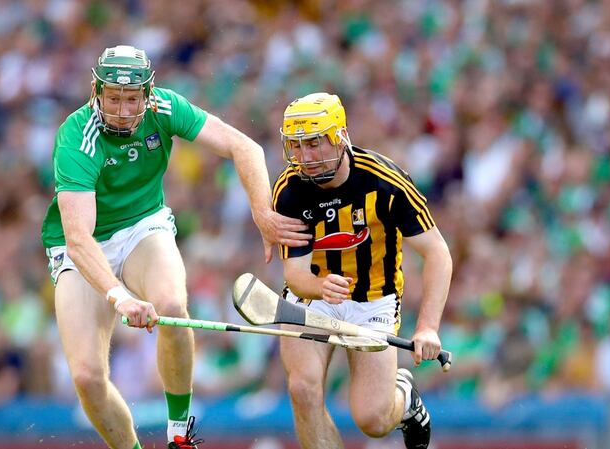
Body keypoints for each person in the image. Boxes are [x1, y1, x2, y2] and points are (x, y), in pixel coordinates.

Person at [40, 45, 310, 449]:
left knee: (171, 307)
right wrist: (121, 298)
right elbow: (79, 239)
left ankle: (180, 435)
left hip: (142, 227)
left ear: (147, 94)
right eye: (113, 98)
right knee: (87, 377)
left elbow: (245, 147)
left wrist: (262, 213)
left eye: (132, 99)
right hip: (81, 246)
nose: (123, 110)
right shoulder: (77, 136)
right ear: (96, 93)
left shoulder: (165, 108)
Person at [271, 93, 453, 449]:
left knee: (373, 419)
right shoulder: (289, 189)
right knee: (302, 389)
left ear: (340, 137)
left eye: (314, 144)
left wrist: (428, 327)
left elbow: (438, 254)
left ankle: (405, 397)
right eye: (297, 146)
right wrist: (319, 286)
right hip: (311, 295)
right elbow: (294, 272)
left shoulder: (386, 182)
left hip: (373, 299)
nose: (305, 158)